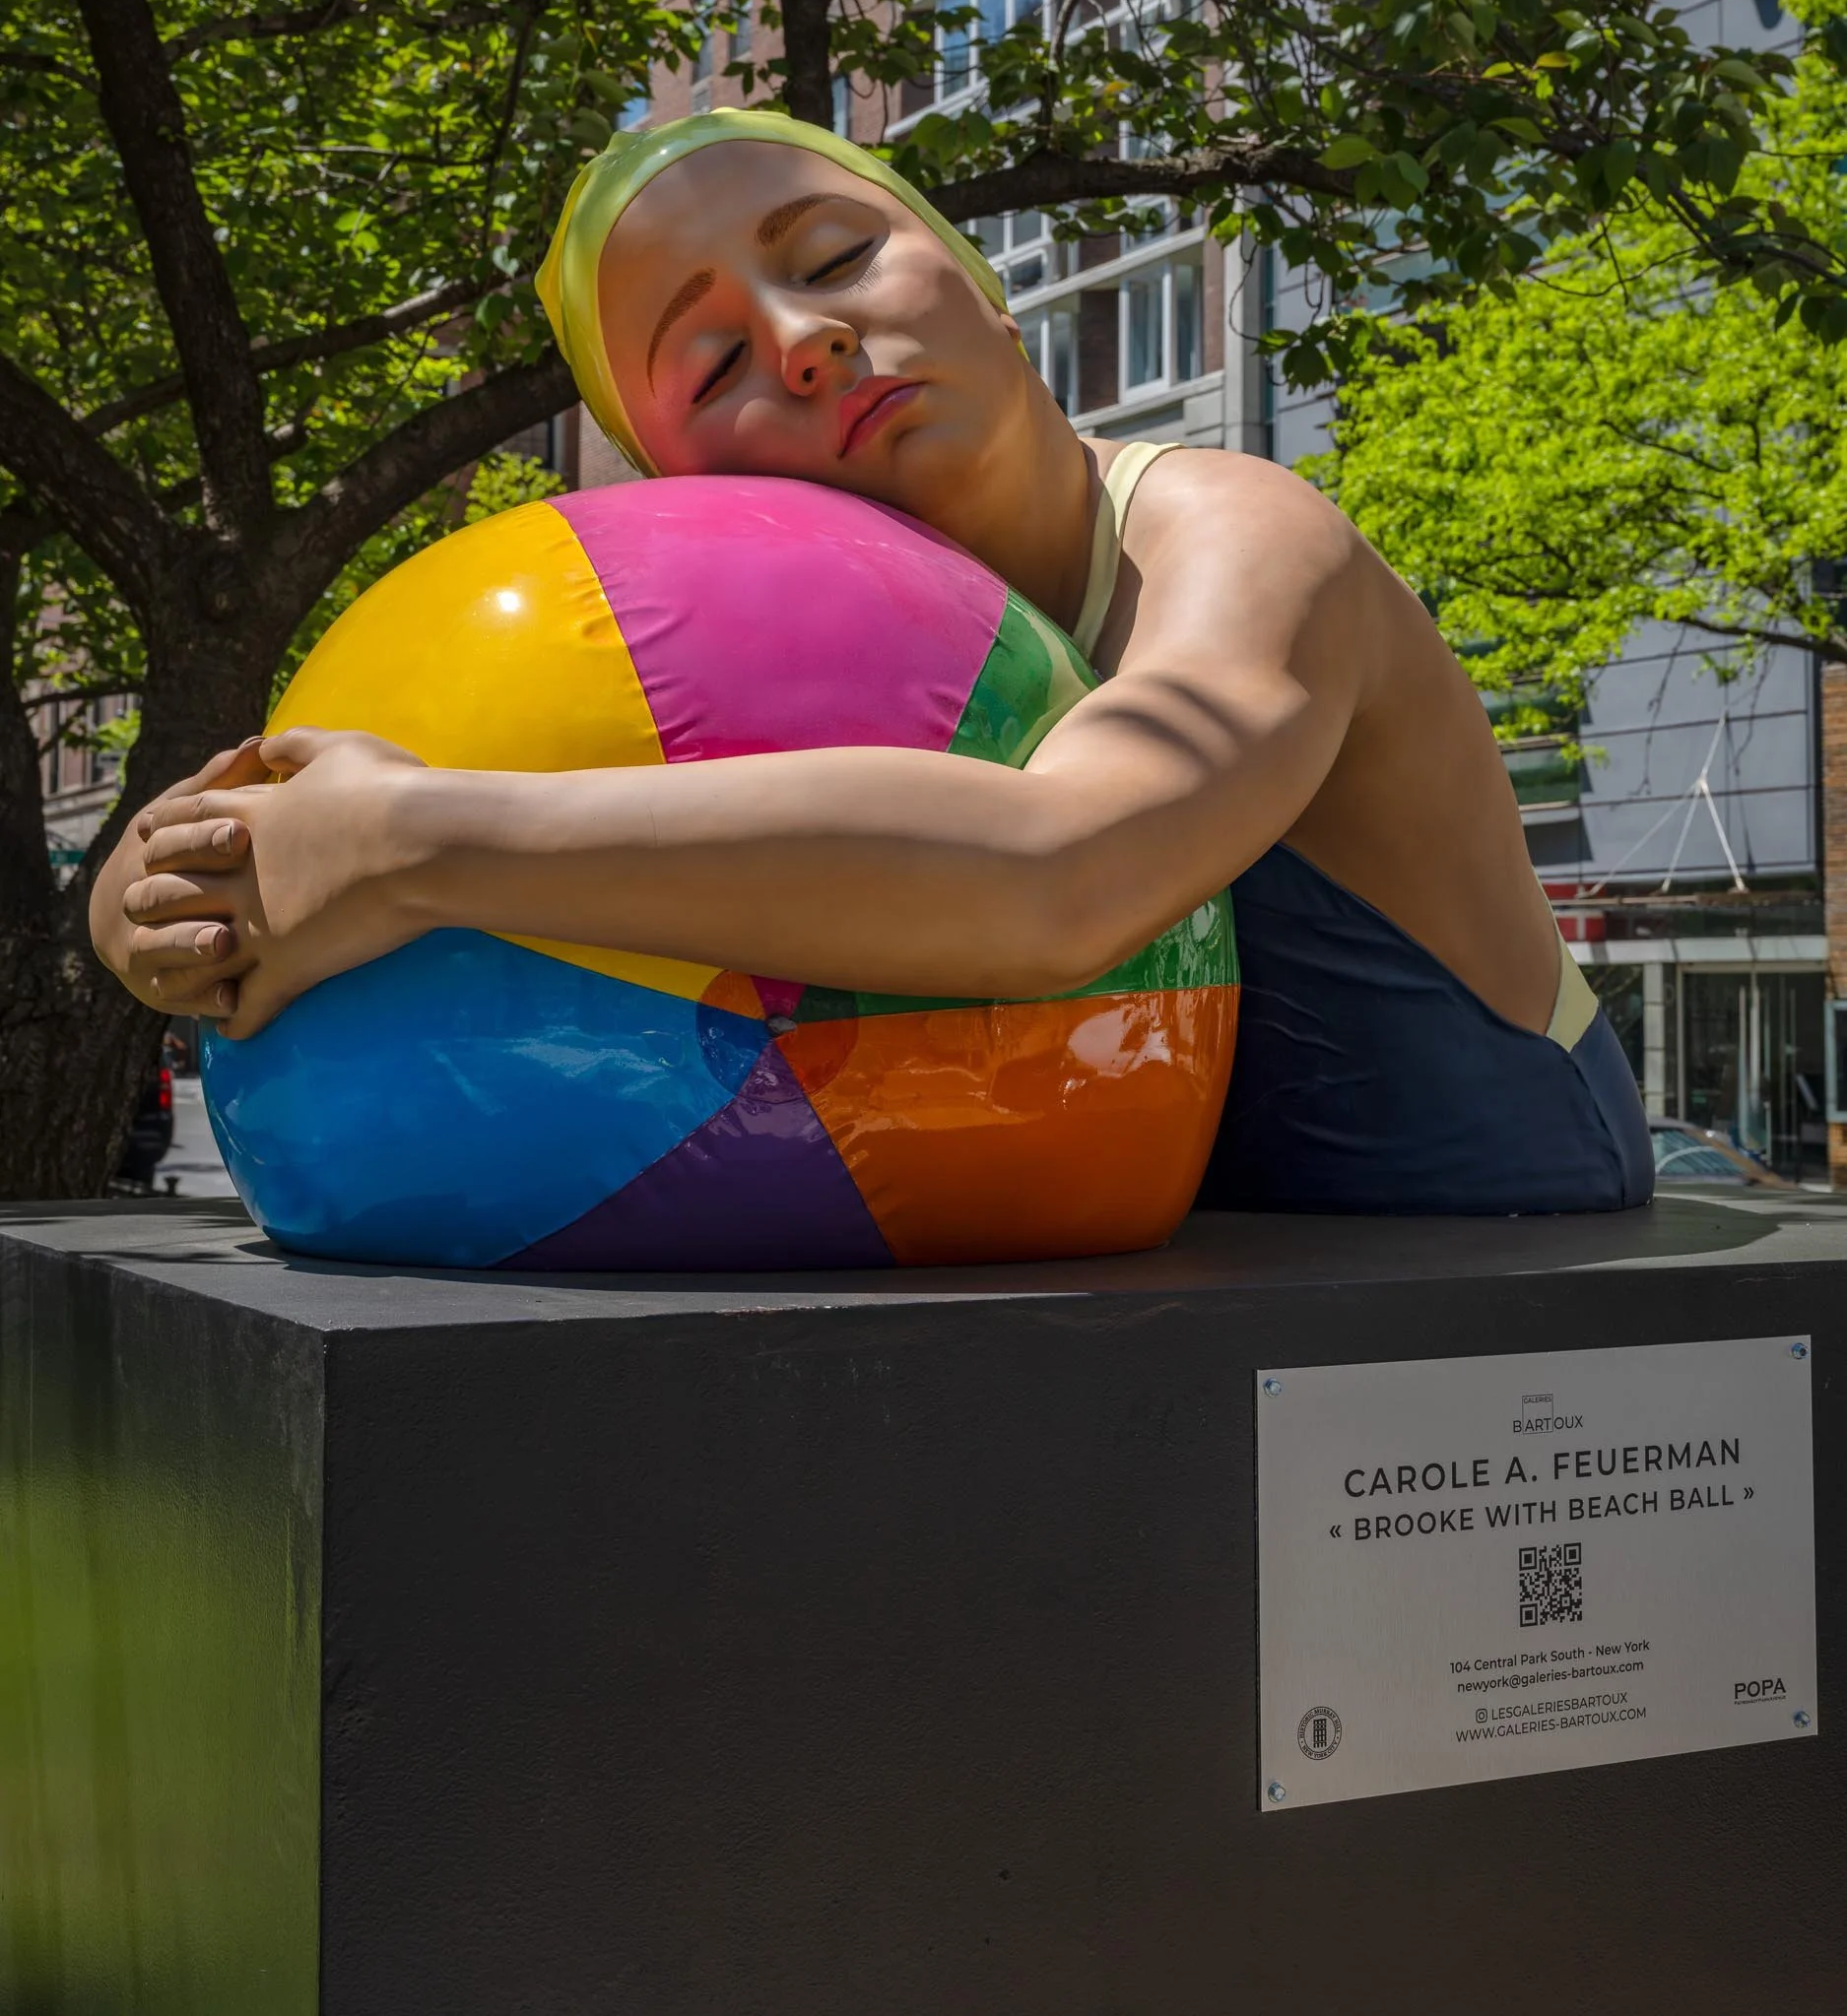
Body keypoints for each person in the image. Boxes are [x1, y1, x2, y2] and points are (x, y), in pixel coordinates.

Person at [91, 108, 1652, 1212]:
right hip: (1123, 1260)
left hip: (1480, 1231)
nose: (802, 340)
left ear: (978, 282)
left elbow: (1066, 873)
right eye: (710, 359)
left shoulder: (1239, 539)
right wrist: (166, 894)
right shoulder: (797, 663)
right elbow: (354, 768)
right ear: (682, 490)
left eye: (836, 257)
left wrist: (402, 841)